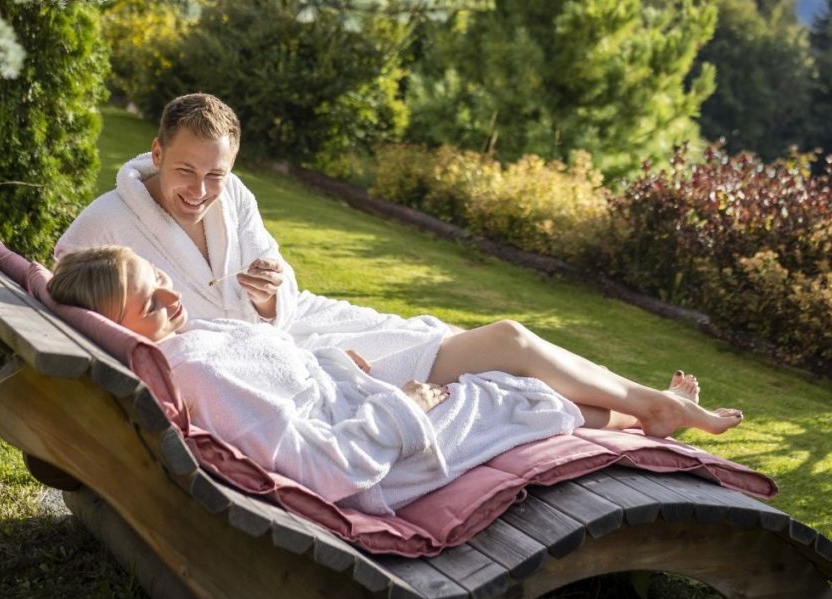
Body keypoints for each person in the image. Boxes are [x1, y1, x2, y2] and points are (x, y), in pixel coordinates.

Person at [56, 92, 741, 429]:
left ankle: (647, 408)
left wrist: (274, 298)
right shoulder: (104, 225)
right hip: (267, 367)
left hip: (297, 331)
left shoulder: (232, 196)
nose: (202, 193)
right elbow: (91, 306)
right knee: (488, 360)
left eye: (217, 176)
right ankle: (648, 410)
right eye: (186, 172)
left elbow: (279, 274)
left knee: (461, 345)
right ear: (154, 151)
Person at [48, 246, 742, 514]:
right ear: (124, 330)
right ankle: (651, 415)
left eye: (161, 280)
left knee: (508, 356)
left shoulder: (195, 340)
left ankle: (651, 409)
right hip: (385, 455)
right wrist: (400, 407)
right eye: (150, 303)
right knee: (521, 392)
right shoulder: (197, 368)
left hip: (361, 399)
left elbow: (291, 383)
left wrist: (338, 368)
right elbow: (323, 468)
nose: (172, 298)